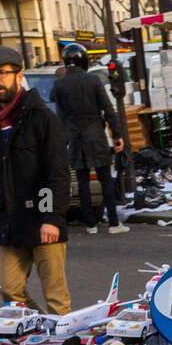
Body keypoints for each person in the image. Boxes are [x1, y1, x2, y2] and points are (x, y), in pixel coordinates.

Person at [0, 45, 71, 315]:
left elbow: (55, 172)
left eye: (2, 73)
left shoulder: (40, 117)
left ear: (19, 77)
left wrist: (51, 216)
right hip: (9, 221)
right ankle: (39, 326)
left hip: (41, 216)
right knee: (10, 290)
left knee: (55, 296)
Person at [52, 43, 128, 237]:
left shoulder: (60, 84)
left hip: (74, 136)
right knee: (105, 179)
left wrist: (63, 140)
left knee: (83, 181)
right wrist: (117, 135)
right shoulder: (93, 80)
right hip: (95, 133)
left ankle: (90, 224)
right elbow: (108, 110)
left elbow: (60, 116)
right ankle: (113, 222)